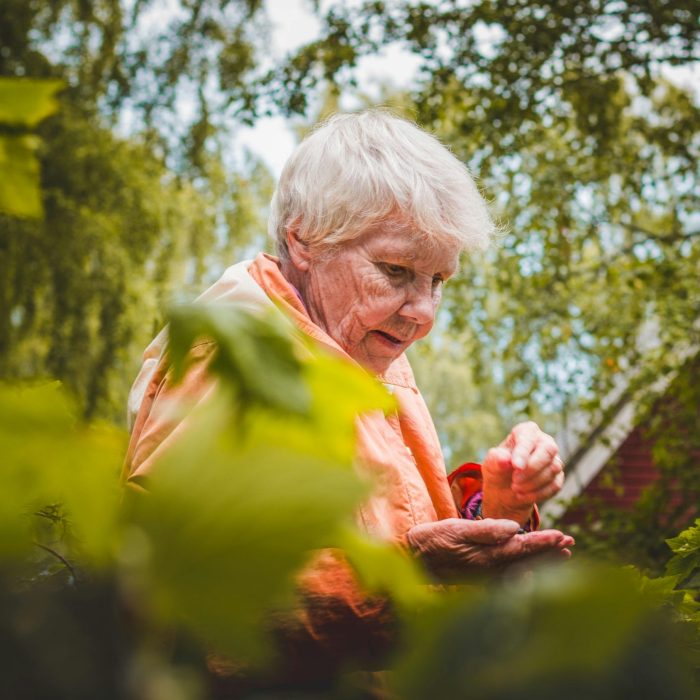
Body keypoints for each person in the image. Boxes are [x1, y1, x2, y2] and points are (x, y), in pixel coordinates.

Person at [123, 110, 572, 687]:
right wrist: (402, 576)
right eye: (396, 270)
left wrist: (497, 509)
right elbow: (177, 609)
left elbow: (394, 528)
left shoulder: (360, 349)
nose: (423, 313)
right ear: (303, 239)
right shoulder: (233, 361)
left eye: (438, 281)